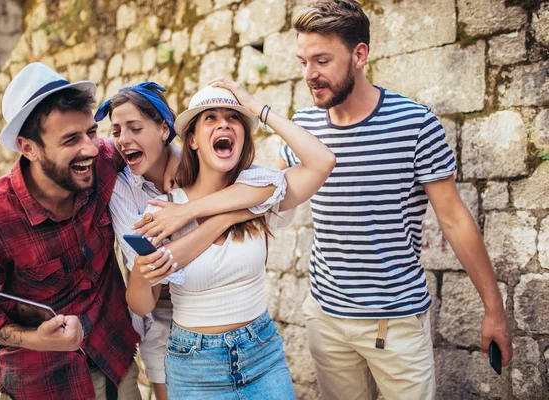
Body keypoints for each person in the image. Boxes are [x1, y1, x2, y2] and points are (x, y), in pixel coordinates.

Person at [275, 1, 513, 399]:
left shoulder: (415, 123)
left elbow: (453, 218)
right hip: (326, 318)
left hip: (396, 323)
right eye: (303, 61)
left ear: (360, 54)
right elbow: (272, 197)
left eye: (321, 60)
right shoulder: (303, 125)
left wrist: (494, 308)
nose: (310, 75)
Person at [0, 63, 172, 399]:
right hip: (42, 384)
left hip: (117, 366)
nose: (91, 149)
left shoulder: (103, 163)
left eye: (91, 132)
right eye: (71, 140)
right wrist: (33, 338)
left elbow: (157, 147)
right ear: (29, 148)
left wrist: (180, 173)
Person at [129, 81, 335, 399]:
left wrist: (257, 108)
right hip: (195, 366)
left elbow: (322, 161)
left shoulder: (258, 188)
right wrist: (143, 275)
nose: (224, 123)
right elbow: (142, 304)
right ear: (193, 141)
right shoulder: (164, 209)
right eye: (210, 117)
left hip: (262, 354)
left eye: (233, 117)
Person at [95, 82, 289, 400]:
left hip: (228, 311)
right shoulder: (124, 189)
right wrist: (227, 217)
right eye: (116, 131)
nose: (123, 140)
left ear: (164, 129)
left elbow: (266, 184)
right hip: (163, 313)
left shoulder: (200, 158)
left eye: (134, 127)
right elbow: (146, 272)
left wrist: (188, 211)